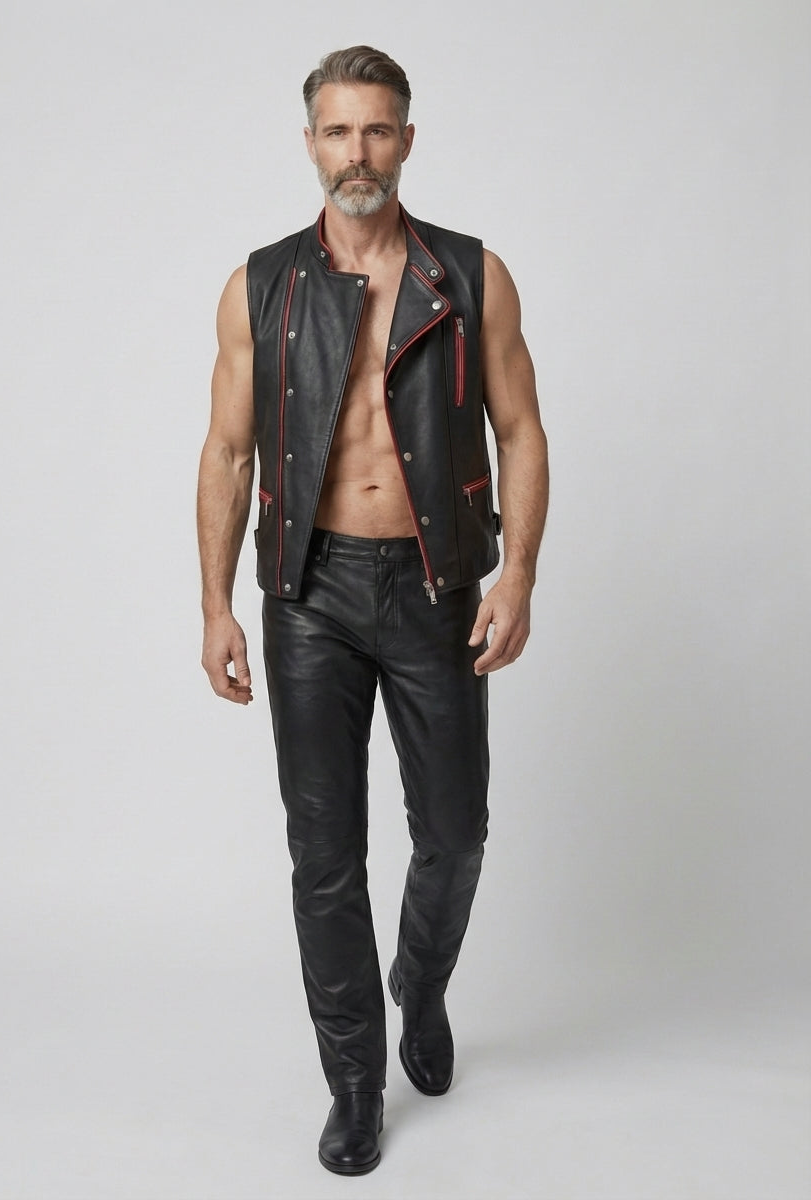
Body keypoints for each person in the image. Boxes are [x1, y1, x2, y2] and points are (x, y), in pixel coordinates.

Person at [197, 45, 549, 1176]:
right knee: (324, 854)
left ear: (406, 139)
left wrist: (517, 576)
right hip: (308, 594)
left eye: (378, 129)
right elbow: (228, 450)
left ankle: (420, 986)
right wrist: (215, 606)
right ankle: (354, 1081)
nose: (359, 152)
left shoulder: (471, 275)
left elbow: (520, 431)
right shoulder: (259, 285)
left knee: (454, 834)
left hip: (436, 586)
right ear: (310, 143)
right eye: (339, 131)